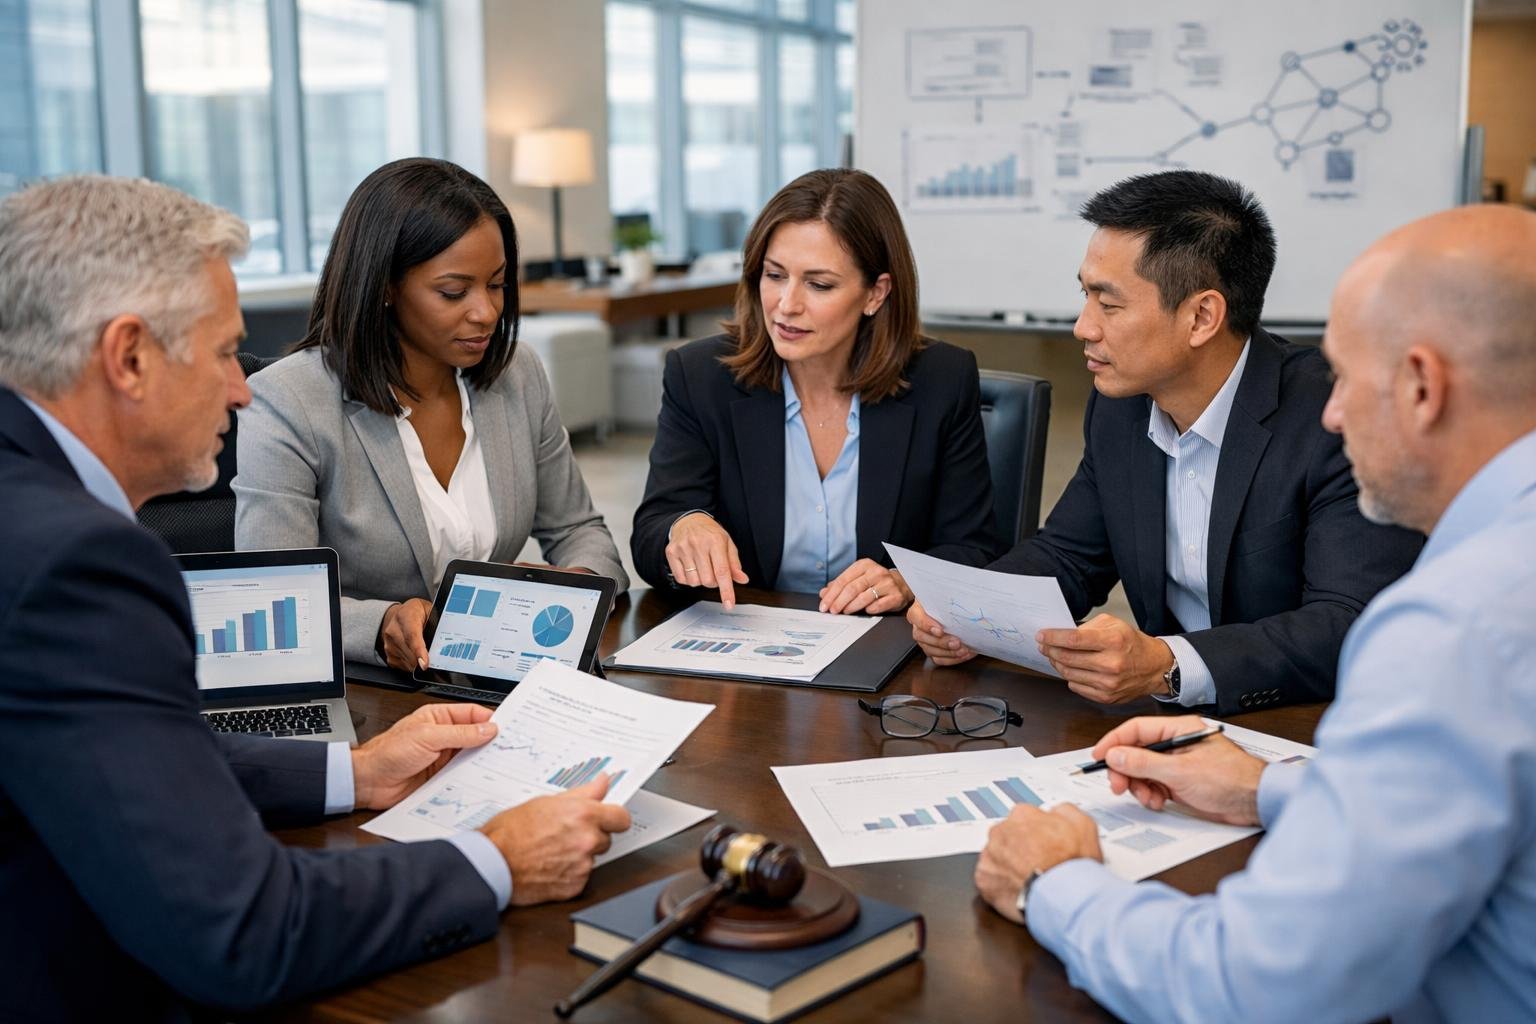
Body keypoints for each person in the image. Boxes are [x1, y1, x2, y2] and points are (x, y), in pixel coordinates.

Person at [0, 176, 630, 1019]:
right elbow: (248, 930)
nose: (241, 388)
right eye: (226, 351)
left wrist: (354, 771)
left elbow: (133, 754)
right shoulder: (79, 565)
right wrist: (494, 859)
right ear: (129, 357)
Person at [973, 204, 1536, 1022]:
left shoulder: (1454, 631)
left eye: (1346, 377)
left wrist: (1055, 881)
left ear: (1422, 386)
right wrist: (1273, 791)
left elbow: (1256, 989)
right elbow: (1471, 801)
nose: (1335, 414)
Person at [908, 170, 1421, 713]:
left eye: (1108, 304)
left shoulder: (1334, 418)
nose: (1083, 327)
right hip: (1169, 729)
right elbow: (1069, 556)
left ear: (1202, 316)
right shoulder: (1120, 404)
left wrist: (1168, 664)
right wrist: (964, 609)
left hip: (1304, 724)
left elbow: (1346, 622)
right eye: (1085, 296)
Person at [234, 158, 627, 671]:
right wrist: (379, 624)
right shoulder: (289, 401)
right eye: (453, 292)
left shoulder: (517, 373)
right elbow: (270, 600)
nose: (486, 312)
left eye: (498, 284)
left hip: (495, 678)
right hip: (369, 692)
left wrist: (579, 582)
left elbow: (580, 529)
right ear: (384, 288)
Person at [631, 168, 1001, 615]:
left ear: (875, 294)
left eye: (819, 284)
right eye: (774, 275)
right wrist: (683, 528)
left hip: (886, 650)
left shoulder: (942, 380)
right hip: (748, 645)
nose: (787, 305)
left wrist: (907, 583)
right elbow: (652, 533)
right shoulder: (700, 376)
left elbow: (975, 549)